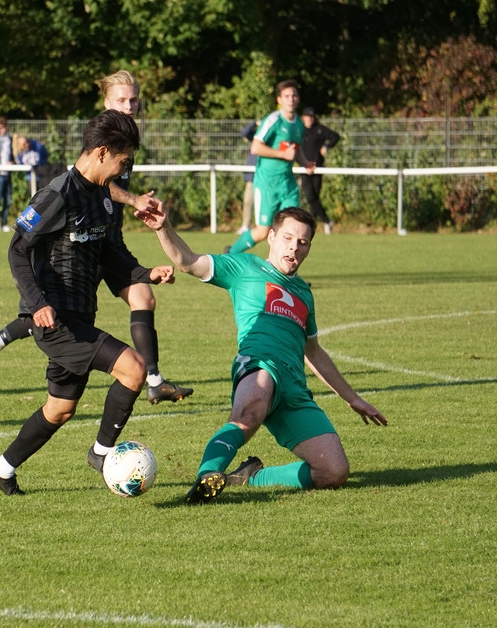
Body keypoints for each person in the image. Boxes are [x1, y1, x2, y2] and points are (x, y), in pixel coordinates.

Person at [0, 109, 176, 496]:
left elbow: (108, 255)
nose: (123, 173)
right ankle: (102, 453)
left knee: (60, 408)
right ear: (102, 152)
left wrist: (144, 273)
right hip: (56, 322)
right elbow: (17, 251)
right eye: (122, 163)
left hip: (80, 315)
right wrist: (36, 302)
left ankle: (0, 470)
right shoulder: (56, 195)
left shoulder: (102, 197)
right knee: (134, 370)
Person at [135, 204, 387, 503]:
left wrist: (352, 398)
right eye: (288, 238)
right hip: (259, 363)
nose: (294, 247)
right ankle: (206, 476)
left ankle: (248, 477)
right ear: (271, 237)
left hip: (295, 388)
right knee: (248, 414)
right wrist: (163, 227)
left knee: (334, 471)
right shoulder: (245, 267)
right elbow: (188, 261)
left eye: (303, 242)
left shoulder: (305, 294)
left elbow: (314, 352)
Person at [0, 70, 193, 405]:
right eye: (122, 100)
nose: (130, 105)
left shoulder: (126, 136)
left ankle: (152, 379)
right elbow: (95, 182)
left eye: (134, 99)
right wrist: (134, 199)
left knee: (140, 299)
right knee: (58, 314)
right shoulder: (103, 138)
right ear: (107, 103)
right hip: (80, 237)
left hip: (107, 239)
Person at [228, 80, 313, 255]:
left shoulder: (298, 124)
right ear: (279, 99)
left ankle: (287, 276)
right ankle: (231, 255)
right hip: (267, 183)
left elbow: (295, 150)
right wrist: (282, 154)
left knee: (293, 228)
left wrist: (305, 163)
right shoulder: (273, 120)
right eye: (287, 96)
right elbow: (256, 147)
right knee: (263, 232)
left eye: (294, 95)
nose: (291, 99)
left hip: (287, 184)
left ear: (298, 99)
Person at [299, 107, 341, 235]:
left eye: (311, 117)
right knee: (310, 196)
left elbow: (335, 136)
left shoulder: (319, 129)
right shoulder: (299, 130)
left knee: (315, 196)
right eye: (307, 116)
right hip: (304, 168)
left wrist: (326, 146)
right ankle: (327, 221)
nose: (309, 119)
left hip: (317, 168)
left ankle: (310, 226)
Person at [238, 120, 258, 234]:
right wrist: (255, 123)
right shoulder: (256, 137)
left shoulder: (272, 138)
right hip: (252, 176)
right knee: (248, 201)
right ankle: (245, 225)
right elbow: (245, 133)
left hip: (265, 176)